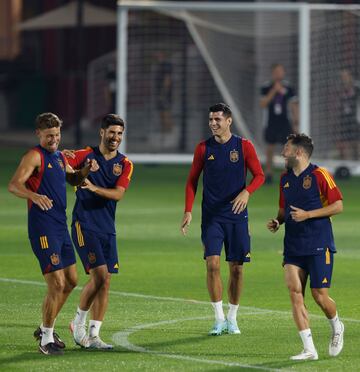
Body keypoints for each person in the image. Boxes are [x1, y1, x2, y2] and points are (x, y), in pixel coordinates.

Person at [8, 112, 93, 355]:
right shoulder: (34, 156)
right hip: (42, 227)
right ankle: (46, 339)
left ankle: (46, 326)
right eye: (49, 136)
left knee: (72, 281)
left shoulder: (57, 156)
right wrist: (34, 196)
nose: (54, 139)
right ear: (38, 134)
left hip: (59, 226)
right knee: (57, 283)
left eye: (56, 135)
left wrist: (86, 169)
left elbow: (73, 179)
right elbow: (14, 184)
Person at [181, 103, 264, 336]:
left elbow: (259, 175)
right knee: (213, 264)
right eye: (211, 119)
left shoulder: (244, 146)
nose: (213, 123)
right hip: (212, 218)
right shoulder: (202, 149)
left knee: (237, 269)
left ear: (229, 121)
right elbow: (191, 181)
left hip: (237, 217)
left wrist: (247, 192)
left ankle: (232, 318)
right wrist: (188, 210)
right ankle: (218, 319)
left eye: (218, 119)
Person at [267, 133, 344, 361]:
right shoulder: (285, 179)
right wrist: (277, 221)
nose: (282, 153)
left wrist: (308, 214)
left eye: (286, 149)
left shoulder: (320, 175)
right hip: (293, 246)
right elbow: (284, 209)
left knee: (320, 296)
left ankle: (337, 326)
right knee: (295, 292)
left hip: (319, 243)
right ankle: (309, 349)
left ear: (298, 152)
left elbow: (338, 205)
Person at [65, 114, 133, 349]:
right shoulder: (86, 155)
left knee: (106, 282)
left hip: (107, 229)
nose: (116, 137)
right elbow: (64, 161)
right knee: (100, 276)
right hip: (84, 224)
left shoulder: (124, 163)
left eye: (119, 134)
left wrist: (93, 187)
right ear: (102, 132)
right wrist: (82, 171)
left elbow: (119, 194)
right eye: (112, 132)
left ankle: (94, 335)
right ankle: (77, 324)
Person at [260, 63, 298, 184]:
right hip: (271, 121)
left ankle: (288, 172)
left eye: (280, 71)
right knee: (270, 147)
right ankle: (269, 172)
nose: (278, 74)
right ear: (273, 73)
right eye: (276, 71)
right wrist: (273, 91)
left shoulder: (289, 88)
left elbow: (293, 105)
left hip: (285, 121)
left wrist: (296, 120)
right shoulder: (266, 87)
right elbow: (263, 104)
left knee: (288, 146)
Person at [337, 69, 359, 160]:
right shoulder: (340, 90)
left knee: (357, 143)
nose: (344, 79)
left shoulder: (357, 88)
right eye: (342, 77)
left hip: (356, 119)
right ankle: (347, 164)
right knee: (345, 144)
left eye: (346, 76)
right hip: (344, 119)